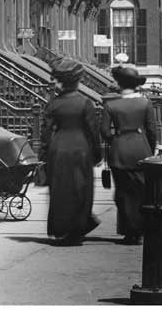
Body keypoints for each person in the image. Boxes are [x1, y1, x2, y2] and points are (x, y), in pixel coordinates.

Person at [40, 58, 101, 246]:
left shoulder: (53, 104)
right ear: (77, 81)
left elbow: (46, 133)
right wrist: (97, 154)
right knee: (81, 188)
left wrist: (44, 155)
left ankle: (62, 228)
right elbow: (93, 132)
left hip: (58, 149)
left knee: (60, 190)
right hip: (80, 148)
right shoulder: (85, 103)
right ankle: (79, 226)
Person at [101, 66, 156, 245]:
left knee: (123, 193)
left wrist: (115, 139)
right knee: (142, 191)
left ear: (119, 84)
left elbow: (104, 131)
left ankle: (128, 231)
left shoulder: (111, 105)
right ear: (136, 85)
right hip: (141, 149)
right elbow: (152, 131)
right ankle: (141, 229)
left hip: (119, 151)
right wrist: (150, 149)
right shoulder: (145, 103)